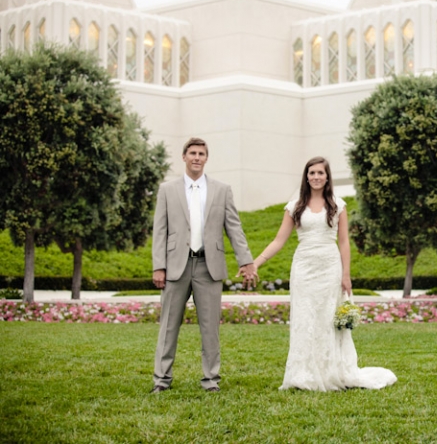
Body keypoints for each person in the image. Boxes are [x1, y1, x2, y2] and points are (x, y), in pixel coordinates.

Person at [248, 156, 397, 391]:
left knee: (327, 320)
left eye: (320, 173)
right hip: (304, 268)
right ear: (306, 177)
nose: (316, 177)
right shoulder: (295, 205)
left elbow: (344, 242)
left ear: (327, 177)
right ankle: (302, 374)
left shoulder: (338, 204)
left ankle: (330, 372)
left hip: (329, 267)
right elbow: (279, 240)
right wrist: (256, 263)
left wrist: (346, 275)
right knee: (305, 319)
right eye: (312, 173)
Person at [150, 137, 257, 393]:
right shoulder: (167, 190)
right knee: (168, 327)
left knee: (210, 328)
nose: (196, 157)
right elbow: (160, 231)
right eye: (192, 153)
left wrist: (246, 261)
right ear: (184, 157)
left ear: (206, 158)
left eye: (201, 153)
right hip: (176, 266)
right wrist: (158, 266)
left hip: (209, 267)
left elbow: (234, 228)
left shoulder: (222, 190)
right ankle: (161, 380)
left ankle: (211, 381)